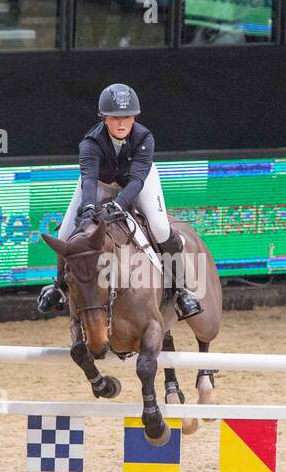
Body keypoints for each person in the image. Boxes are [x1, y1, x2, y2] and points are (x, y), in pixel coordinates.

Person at [37, 83, 203, 321]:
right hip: (99, 182)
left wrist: (119, 205)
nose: (122, 123)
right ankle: (60, 286)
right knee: (65, 234)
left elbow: (136, 180)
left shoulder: (144, 137)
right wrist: (89, 209)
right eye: (115, 118)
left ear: (134, 117)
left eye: (127, 117)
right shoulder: (90, 143)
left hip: (138, 182)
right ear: (104, 118)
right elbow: (89, 180)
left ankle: (181, 289)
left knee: (159, 227)